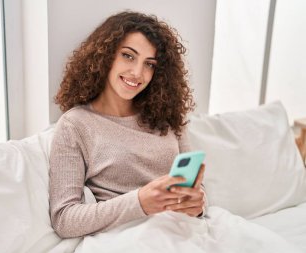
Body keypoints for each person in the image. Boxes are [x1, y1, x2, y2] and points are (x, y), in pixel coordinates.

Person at [49, 11, 207, 239]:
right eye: (128, 56)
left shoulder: (167, 117)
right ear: (105, 55)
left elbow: (198, 193)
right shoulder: (75, 125)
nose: (138, 73)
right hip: (130, 238)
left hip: (186, 230)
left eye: (149, 64)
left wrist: (198, 204)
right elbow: (64, 219)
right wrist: (139, 202)